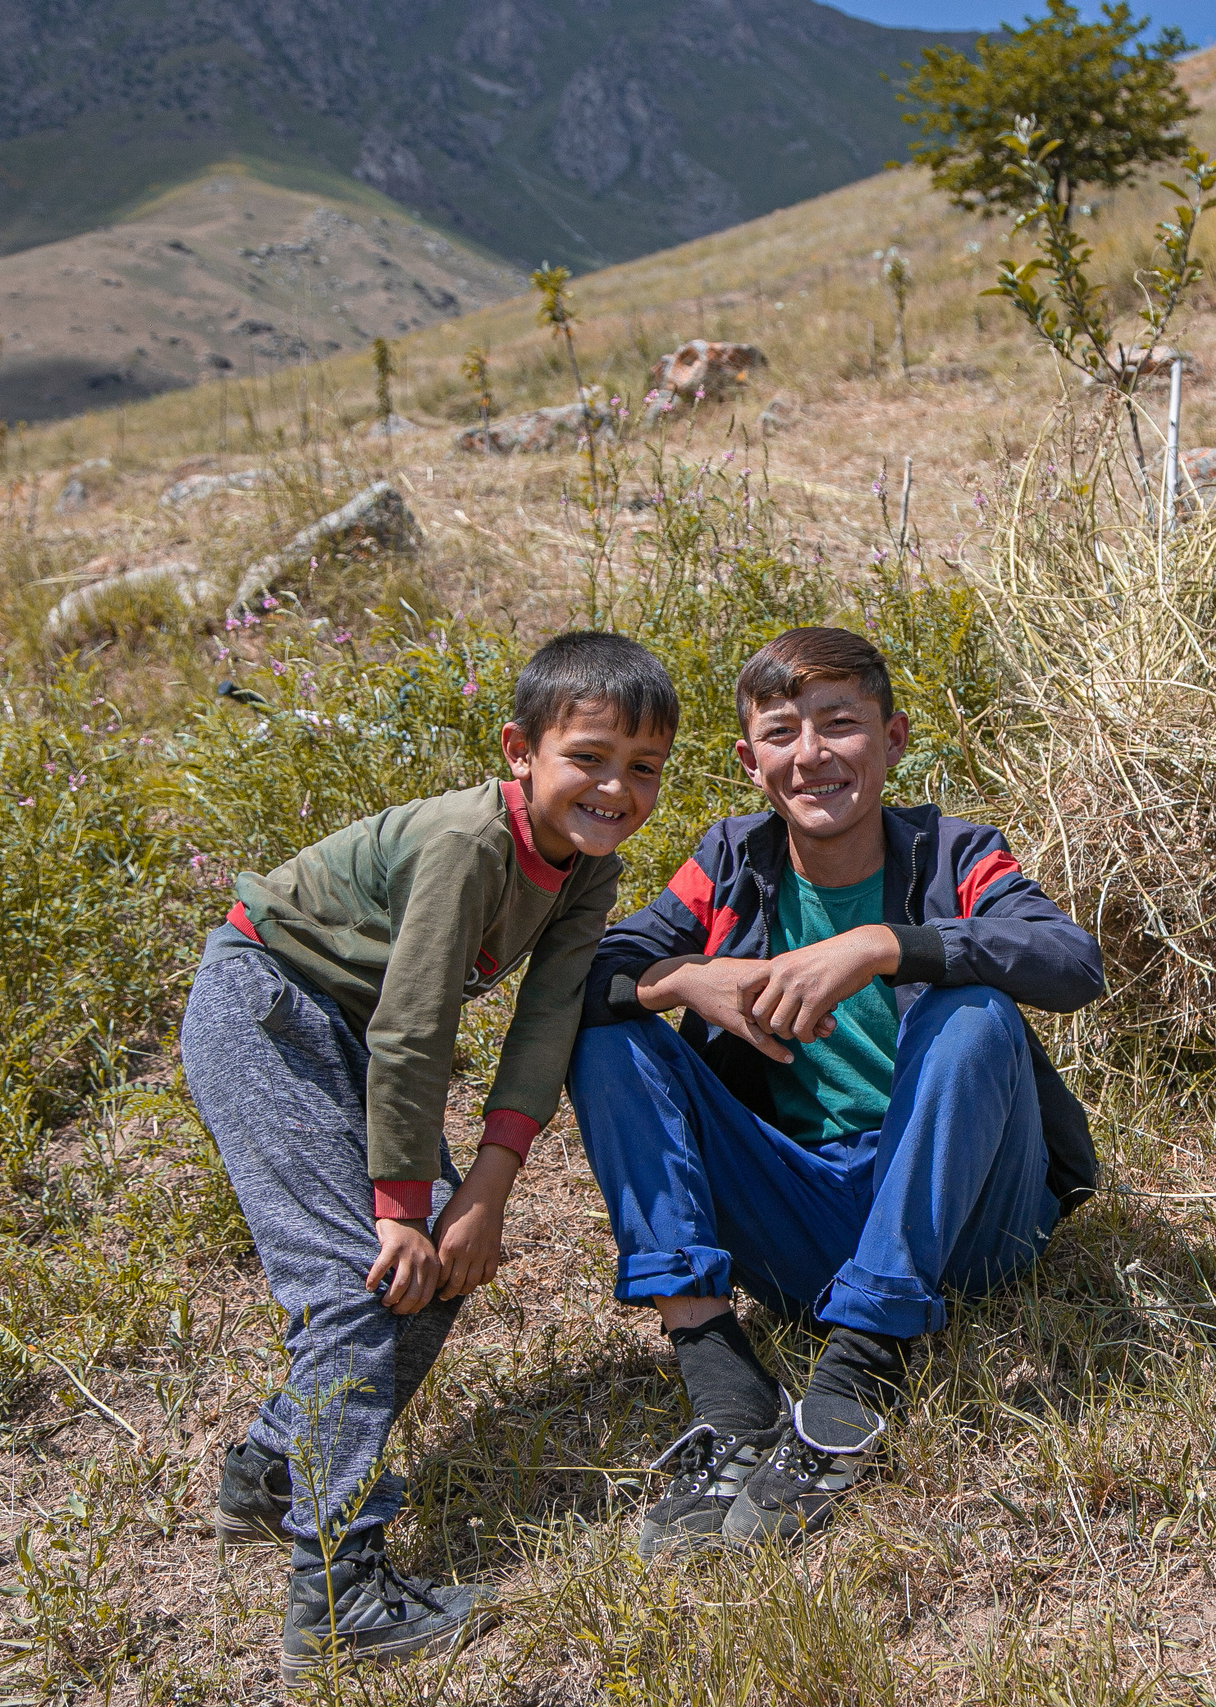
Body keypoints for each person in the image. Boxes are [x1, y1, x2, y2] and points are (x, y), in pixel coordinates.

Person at [180, 632, 676, 1678]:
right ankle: (337, 1593)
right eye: (588, 756)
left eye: (643, 768)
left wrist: (483, 1193)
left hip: (345, 1036)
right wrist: (399, 1205)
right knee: (365, 1280)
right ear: (519, 750)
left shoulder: (588, 869)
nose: (614, 788)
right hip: (269, 1007)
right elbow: (414, 1027)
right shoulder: (468, 841)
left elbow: (546, 1023)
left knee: (436, 1268)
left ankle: (275, 1468)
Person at [567, 625, 1104, 1556]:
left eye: (839, 724)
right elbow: (590, 974)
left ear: (892, 739)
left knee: (974, 1008)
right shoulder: (734, 862)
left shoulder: (951, 853)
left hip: (965, 1222)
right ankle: (725, 1384)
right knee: (608, 1039)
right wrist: (683, 979)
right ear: (749, 759)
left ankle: (858, 1370)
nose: (811, 755)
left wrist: (886, 944)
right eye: (782, 733)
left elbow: (1069, 960)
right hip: (800, 1221)